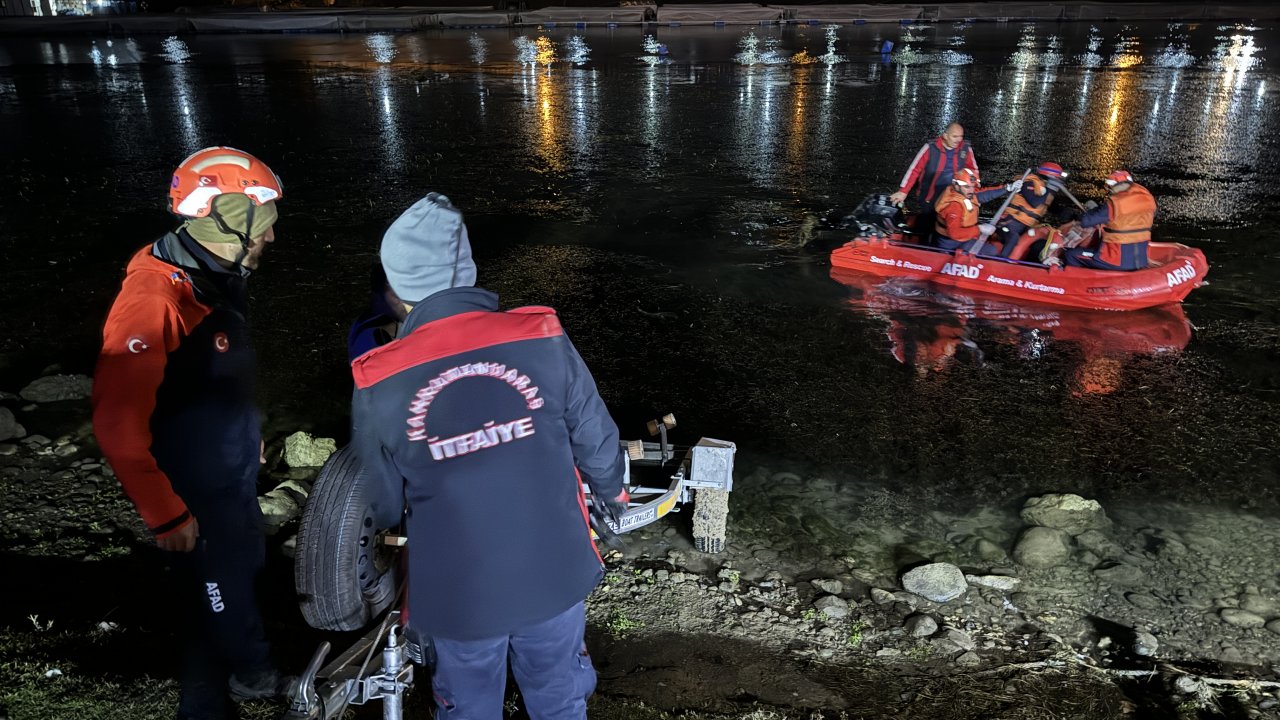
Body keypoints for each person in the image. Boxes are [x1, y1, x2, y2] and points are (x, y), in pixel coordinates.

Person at [350, 192, 629, 719]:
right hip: (553, 566)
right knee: (559, 694)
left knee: (468, 704)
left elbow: (383, 499)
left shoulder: (377, 377)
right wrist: (613, 494)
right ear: (468, 269)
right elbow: (596, 437)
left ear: (397, 288)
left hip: (457, 586)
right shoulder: (541, 334)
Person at [91, 146, 294, 720]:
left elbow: (213, 373)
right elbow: (114, 421)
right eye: (268, 223)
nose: (273, 239)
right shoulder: (155, 299)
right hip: (191, 493)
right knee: (215, 595)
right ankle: (229, 691)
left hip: (227, 470)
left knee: (239, 574)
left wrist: (246, 431)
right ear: (229, 213)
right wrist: (166, 513)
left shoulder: (215, 273)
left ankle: (244, 672)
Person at [888, 122, 980, 236]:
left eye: (961, 136)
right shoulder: (930, 148)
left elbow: (973, 169)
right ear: (945, 136)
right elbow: (914, 169)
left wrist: (974, 185)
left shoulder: (965, 148)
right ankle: (922, 243)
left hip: (953, 195)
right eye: (955, 136)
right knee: (927, 222)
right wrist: (903, 191)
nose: (958, 140)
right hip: (930, 195)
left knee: (948, 222)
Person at [1060, 169, 1156, 271]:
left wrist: (1079, 215)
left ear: (1115, 186)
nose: (1109, 191)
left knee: (1070, 254)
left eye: (1110, 188)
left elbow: (1086, 221)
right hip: (1140, 260)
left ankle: (1079, 282)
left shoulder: (1115, 203)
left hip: (1116, 258)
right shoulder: (1148, 200)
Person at [932, 167, 1018, 253]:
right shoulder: (954, 206)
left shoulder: (965, 193)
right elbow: (955, 233)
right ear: (956, 185)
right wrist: (980, 229)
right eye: (967, 187)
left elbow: (984, 194)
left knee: (991, 250)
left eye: (973, 187)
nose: (971, 190)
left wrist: (1007, 188)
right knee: (989, 252)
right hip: (949, 243)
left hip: (965, 238)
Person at [995, 162, 1068, 260]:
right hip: (1009, 223)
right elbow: (1034, 202)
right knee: (1013, 238)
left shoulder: (1045, 189)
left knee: (1039, 244)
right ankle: (1000, 263)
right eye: (1058, 178)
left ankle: (1029, 268)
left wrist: (1073, 217)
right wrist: (1049, 188)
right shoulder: (1028, 182)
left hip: (1025, 226)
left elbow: (1053, 207)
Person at [347, 261, 407, 362]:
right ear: (378, 294)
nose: (405, 303)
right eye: (397, 296)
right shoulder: (369, 334)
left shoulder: (392, 321)